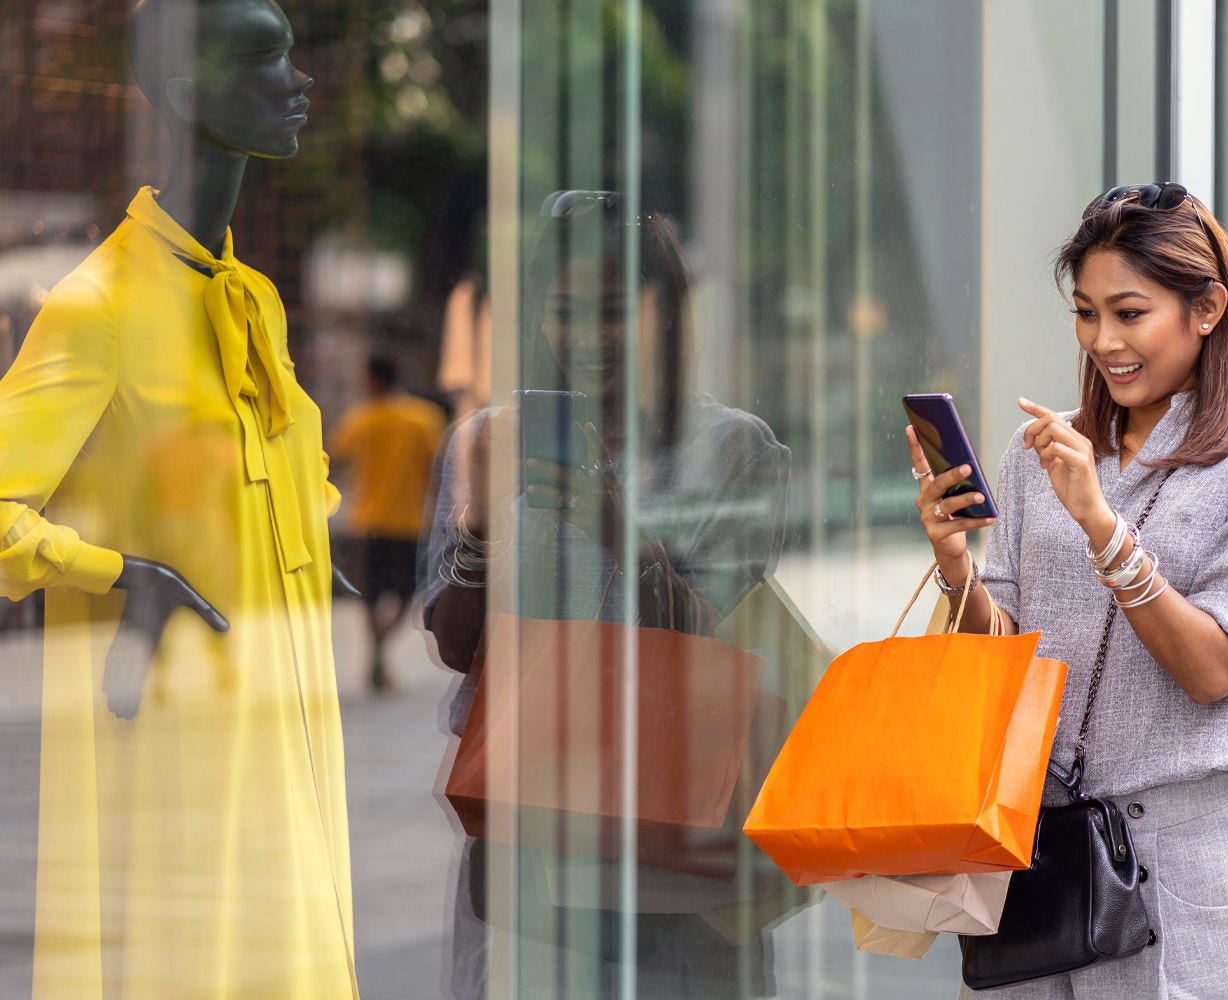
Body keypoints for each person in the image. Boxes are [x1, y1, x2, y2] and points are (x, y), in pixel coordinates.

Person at [0, 1, 359, 995]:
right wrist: (118, 574)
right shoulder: (97, 304)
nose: (301, 80)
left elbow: (279, 472)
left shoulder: (250, 295)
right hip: (178, 724)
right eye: (263, 57)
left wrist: (299, 532)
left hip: (286, 705)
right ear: (190, 93)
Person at [907, 183, 1228, 998]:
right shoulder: (1043, 455)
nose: (1104, 340)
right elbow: (1004, 661)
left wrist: (1102, 527)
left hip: (1189, 867)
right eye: (1086, 312)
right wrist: (956, 564)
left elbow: (1212, 670)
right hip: (1043, 857)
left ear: (1205, 308)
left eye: (1130, 313)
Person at [420, 192, 793, 999]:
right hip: (528, 825)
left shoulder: (732, 448)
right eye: (565, 311)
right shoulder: (485, 443)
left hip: (674, 832)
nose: (590, 337)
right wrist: (482, 531)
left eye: (616, 311)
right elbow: (456, 647)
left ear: (663, 313)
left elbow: (709, 642)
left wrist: (613, 523)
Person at [331, 354, 446, 690]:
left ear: (372, 379)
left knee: (369, 594)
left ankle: (376, 651)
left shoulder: (360, 418)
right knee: (407, 592)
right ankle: (380, 651)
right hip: (409, 521)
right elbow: (437, 468)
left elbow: (335, 459)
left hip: (367, 521)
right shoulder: (423, 418)